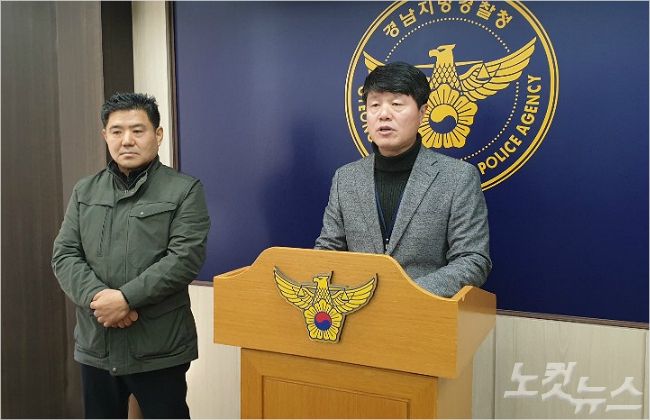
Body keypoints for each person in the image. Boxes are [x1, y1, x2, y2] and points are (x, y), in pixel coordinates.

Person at [52, 92, 210, 418]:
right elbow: (65, 255)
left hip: (159, 347)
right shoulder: (85, 191)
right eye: (117, 131)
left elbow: (184, 258)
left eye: (138, 130)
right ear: (105, 135)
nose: (127, 140)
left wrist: (126, 299)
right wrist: (100, 299)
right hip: (98, 343)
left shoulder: (184, 190)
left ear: (158, 134)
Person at [315, 62, 491, 297]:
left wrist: (406, 294)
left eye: (397, 104)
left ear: (422, 113)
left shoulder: (458, 177)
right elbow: (328, 250)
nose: (384, 114)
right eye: (375, 105)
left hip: (425, 311)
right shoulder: (346, 178)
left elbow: (473, 259)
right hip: (356, 310)